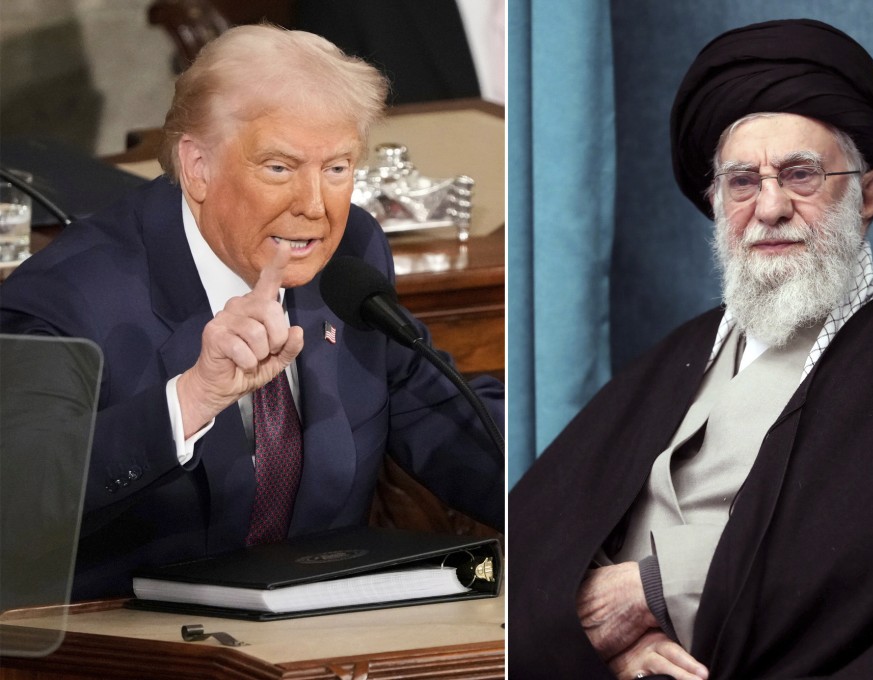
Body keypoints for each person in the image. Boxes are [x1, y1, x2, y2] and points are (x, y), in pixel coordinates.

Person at [509, 18, 873, 680]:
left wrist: (654, 589)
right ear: (718, 202)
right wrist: (610, 638)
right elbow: (546, 527)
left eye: (800, 174)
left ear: (866, 194)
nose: (770, 205)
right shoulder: (682, 352)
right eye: (743, 181)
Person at [0, 25, 504, 600]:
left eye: (337, 168)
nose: (315, 206)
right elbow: (17, 494)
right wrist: (192, 398)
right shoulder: (71, 294)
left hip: (320, 636)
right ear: (197, 167)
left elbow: (442, 415)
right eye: (280, 168)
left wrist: (596, 493)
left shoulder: (349, 256)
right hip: (125, 645)